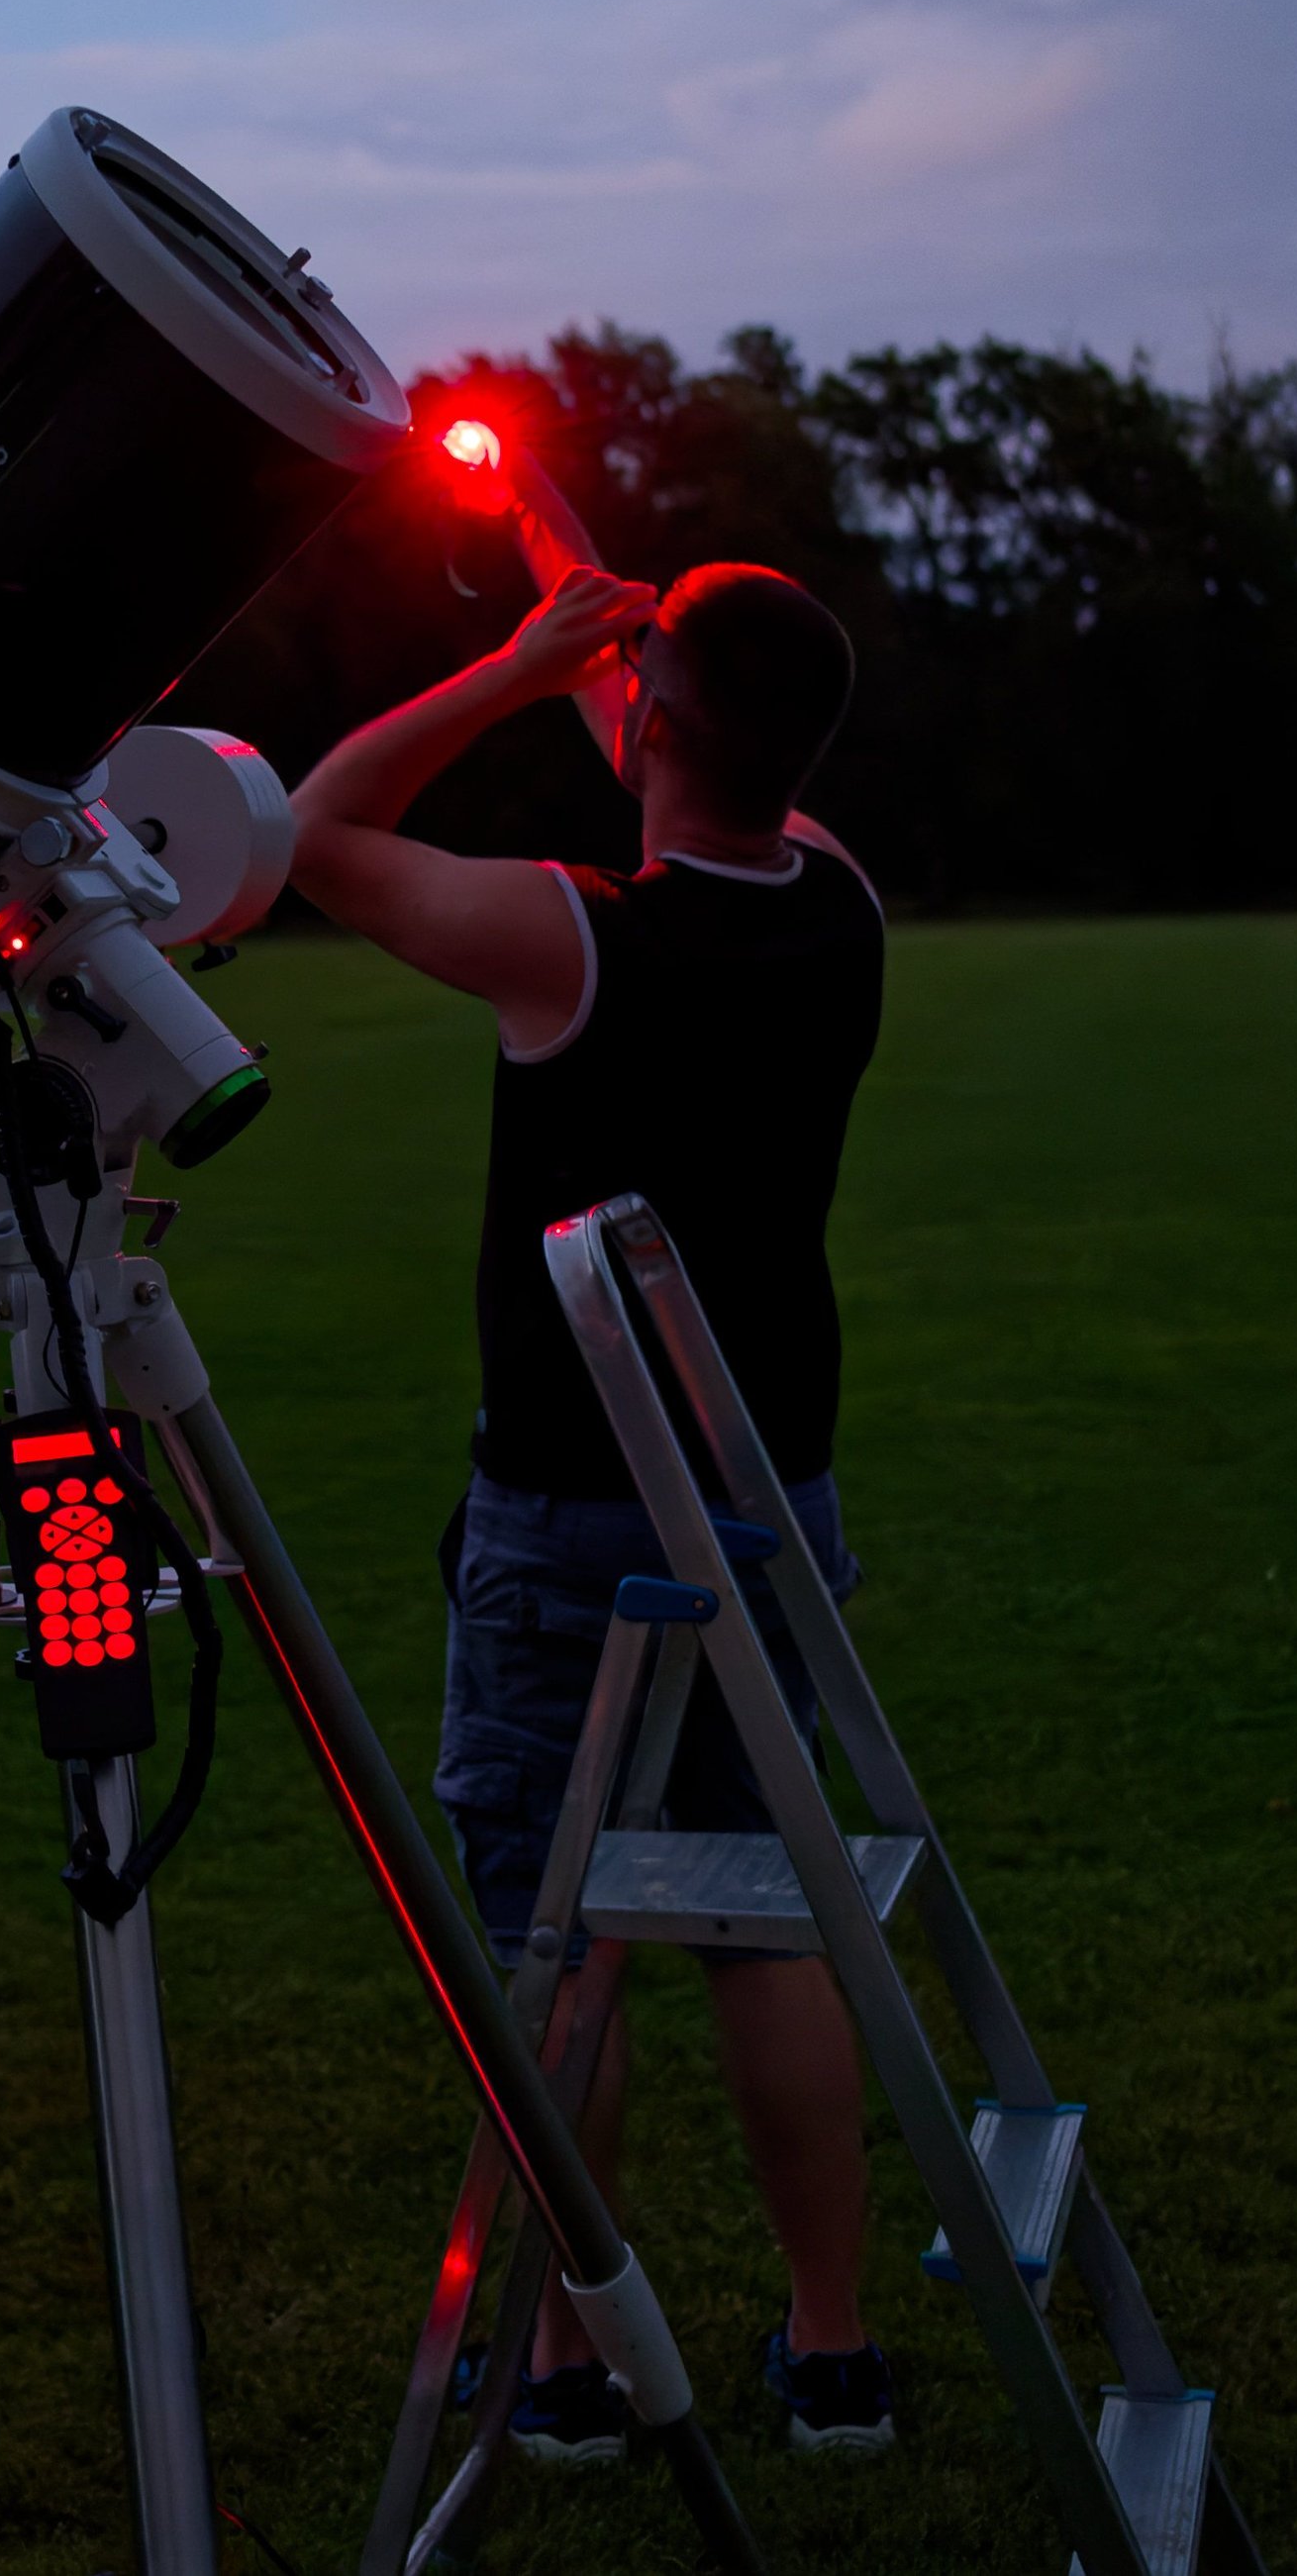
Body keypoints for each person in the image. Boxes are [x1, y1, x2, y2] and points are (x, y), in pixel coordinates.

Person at [286, 551, 898, 2462]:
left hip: (571, 1522)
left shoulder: (576, 939)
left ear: (646, 725)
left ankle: (562, 2359)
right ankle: (834, 2348)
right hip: (765, 1493)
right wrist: (578, 595)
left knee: (562, 1953)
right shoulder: (843, 906)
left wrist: (504, 662)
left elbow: (317, 828)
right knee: (764, 1922)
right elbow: (701, 754)